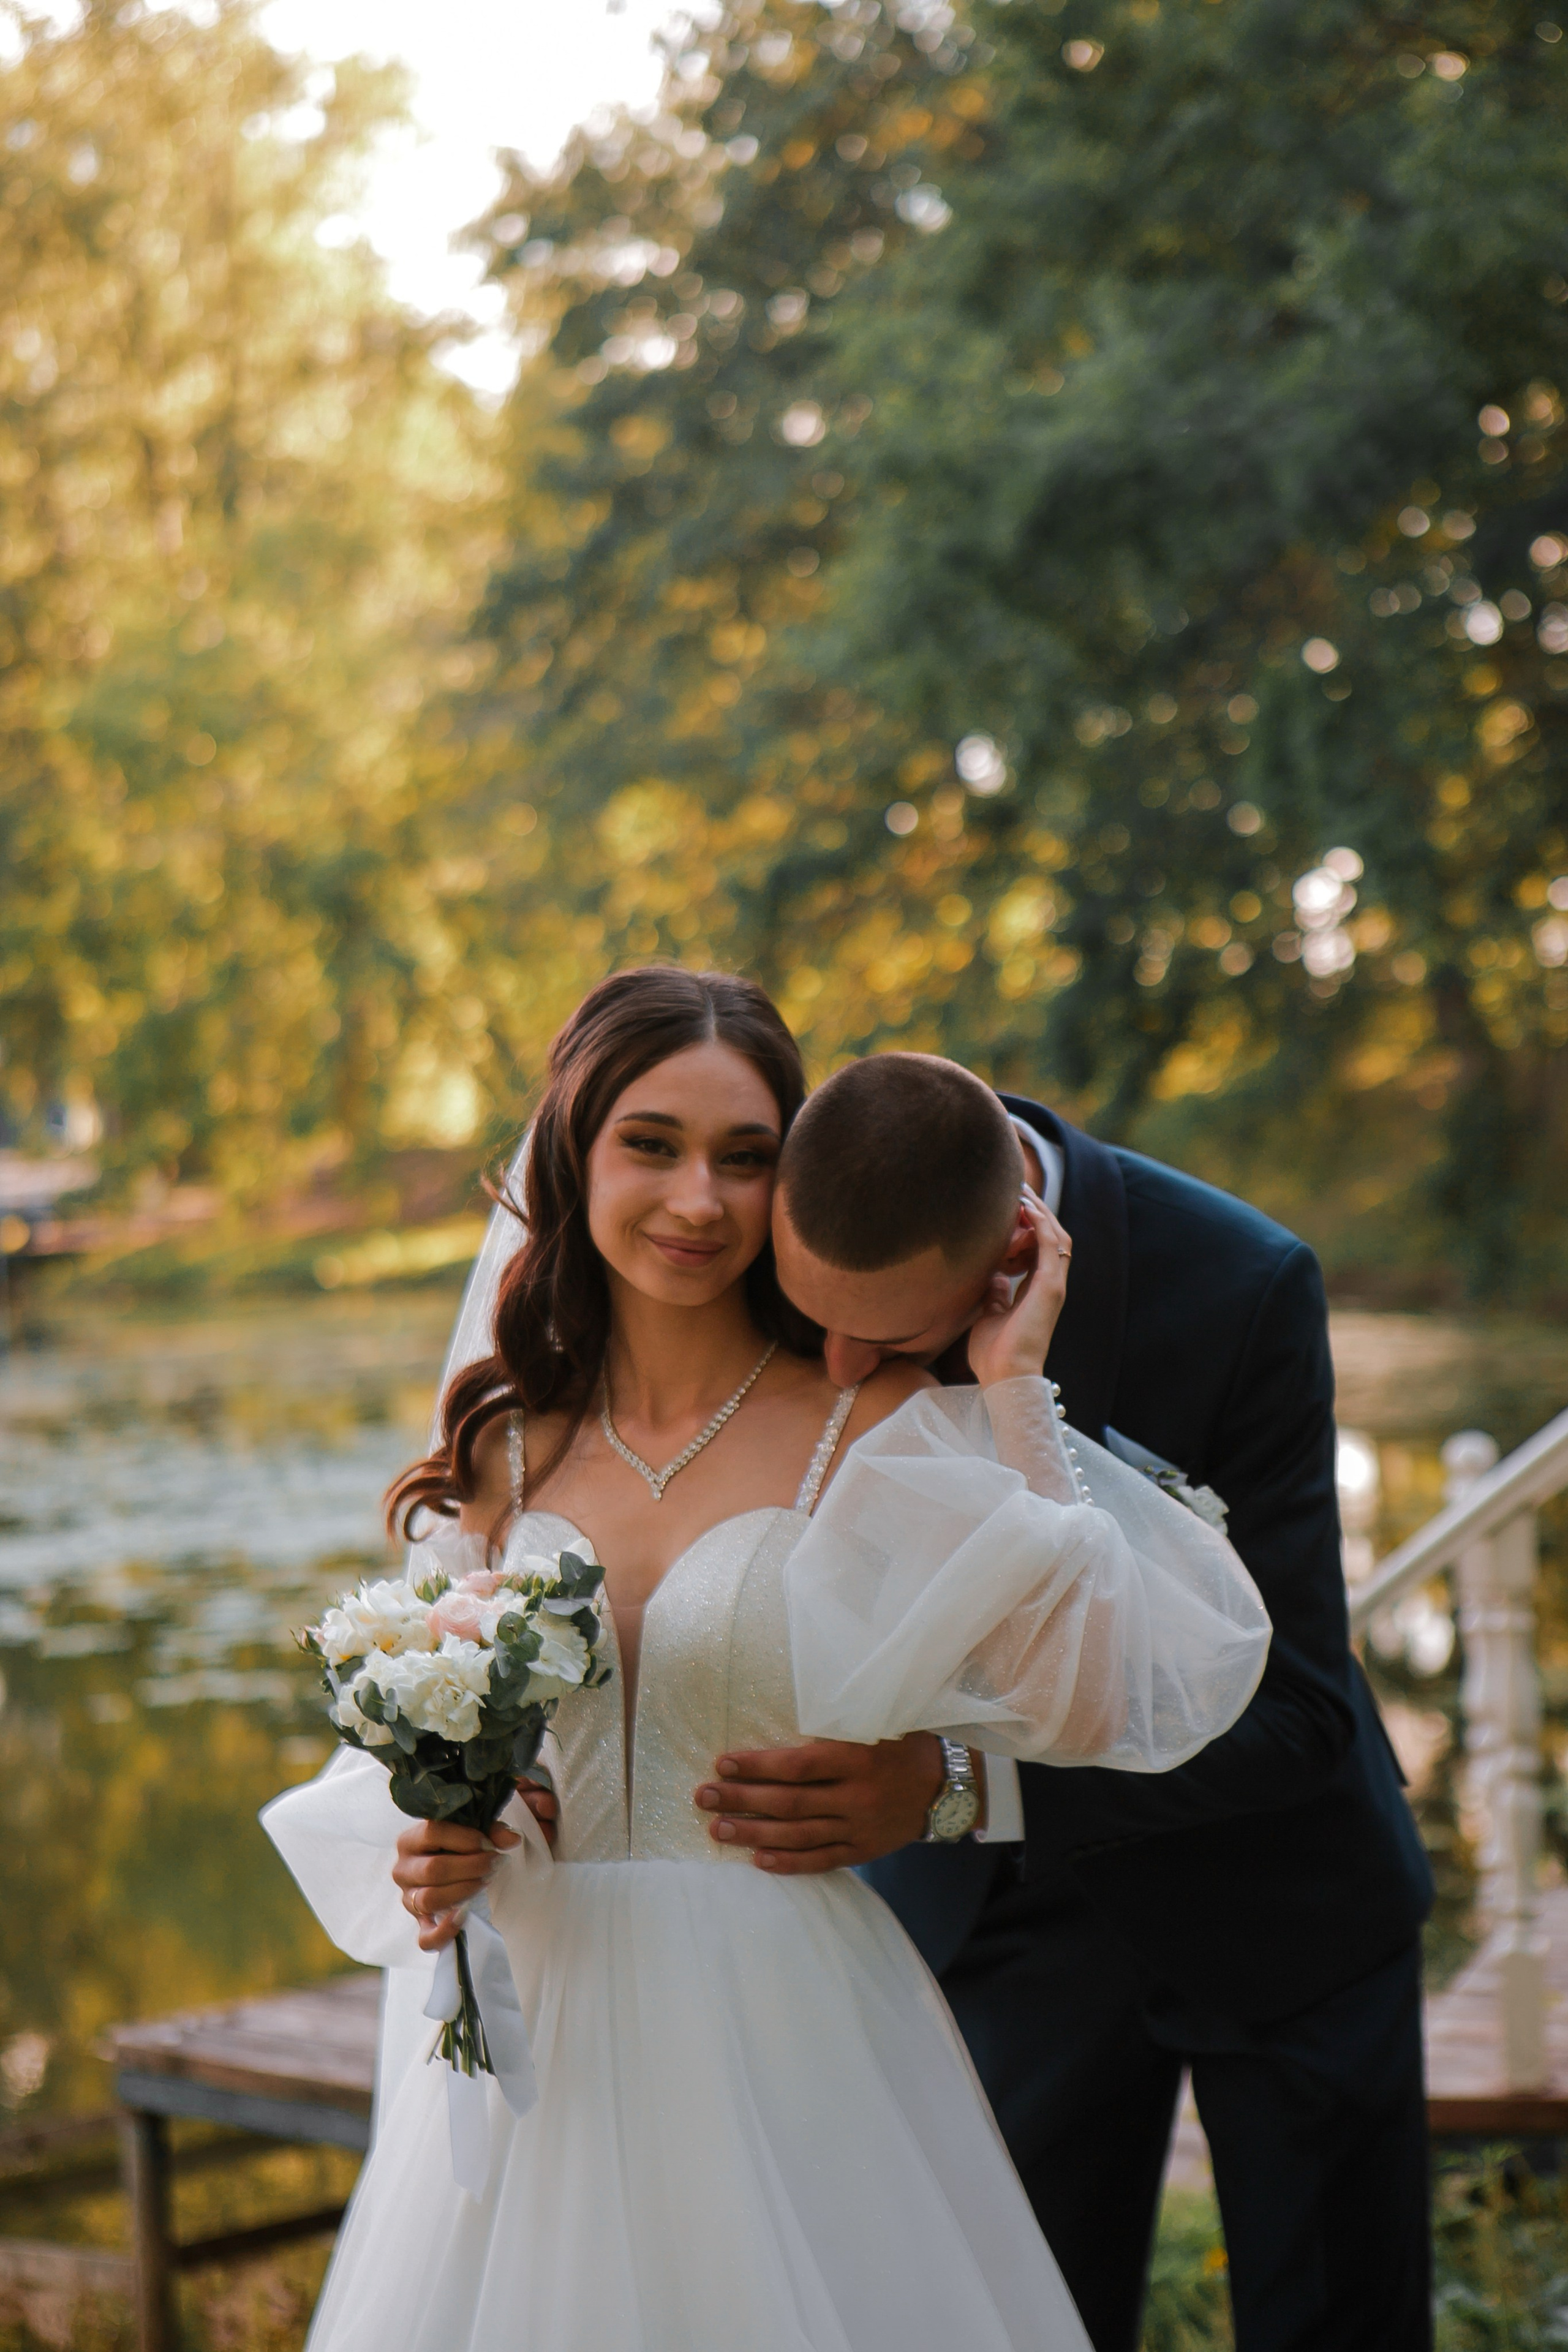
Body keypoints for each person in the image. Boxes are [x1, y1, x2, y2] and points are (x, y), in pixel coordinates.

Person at [263, 970, 1271, 2352]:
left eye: (744, 1158)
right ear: (575, 1147)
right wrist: (444, 1832)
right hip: (538, 2036)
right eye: (651, 1144)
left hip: (783, 2029)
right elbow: (425, 1748)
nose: (697, 1200)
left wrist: (1016, 1387)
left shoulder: (872, 1420)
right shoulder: (499, 1443)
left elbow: (1099, 1692)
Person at [700, 1050, 1434, 2352]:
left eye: (883, 1341)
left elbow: (1298, 1716)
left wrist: (954, 1788)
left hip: (1273, 1899)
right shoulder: (811, 1239)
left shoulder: (1240, 1286)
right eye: (813, 1317)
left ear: (1012, 1263)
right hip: (1001, 1932)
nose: (830, 1361)